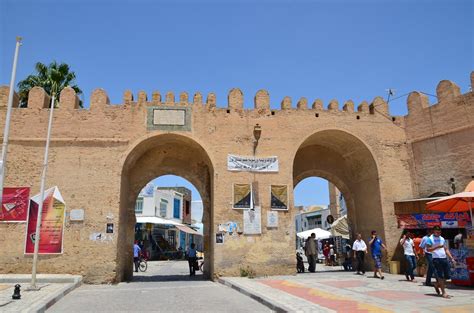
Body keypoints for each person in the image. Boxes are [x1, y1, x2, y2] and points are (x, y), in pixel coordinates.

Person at [426, 226, 456, 298]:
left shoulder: (442, 238)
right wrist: (437, 247)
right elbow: (428, 249)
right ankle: (444, 293)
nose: (438, 233)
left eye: (439, 232)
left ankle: (436, 285)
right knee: (440, 276)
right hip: (436, 259)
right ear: (433, 231)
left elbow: (446, 249)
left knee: (447, 276)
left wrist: (451, 258)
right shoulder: (430, 239)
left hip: (444, 258)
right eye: (437, 232)